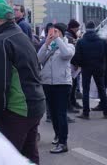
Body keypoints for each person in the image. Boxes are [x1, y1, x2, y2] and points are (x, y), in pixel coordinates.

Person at [0, 3, 45, 163]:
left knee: (8, 157)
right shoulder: (21, 34)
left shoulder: (0, 42)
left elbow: (1, 81)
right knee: (30, 154)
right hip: (36, 102)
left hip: (18, 108)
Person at [38, 23, 75, 154]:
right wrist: (46, 44)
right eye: (51, 31)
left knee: (61, 113)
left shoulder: (68, 45)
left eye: (56, 31)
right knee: (53, 113)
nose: (53, 33)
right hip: (47, 83)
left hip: (62, 83)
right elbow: (39, 59)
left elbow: (66, 55)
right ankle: (58, 135)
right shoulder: (48, 45)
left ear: (62, 33)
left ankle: (63, 142)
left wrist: (58, 39)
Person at [72, 21, 107, 119]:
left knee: (86, 90)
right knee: (101, 88)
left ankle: (86, 113)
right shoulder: (102, 41)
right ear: (94, 29)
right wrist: (103, 62)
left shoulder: (81, 41)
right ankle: (106, 111)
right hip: (99, 67)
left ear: (86, 29)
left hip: (86, 67)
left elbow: (77, 56)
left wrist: (79, 64)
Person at [65, 19, 83, 112]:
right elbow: (72, 52)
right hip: (71, 66)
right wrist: (76, 63)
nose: (78, 29)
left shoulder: (70, 35)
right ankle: (69, 105)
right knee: (70, 86)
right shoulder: (69, 37)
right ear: (73, 27)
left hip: (72, 65)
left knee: (73, 85)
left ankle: (72, 102)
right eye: (77, 28)